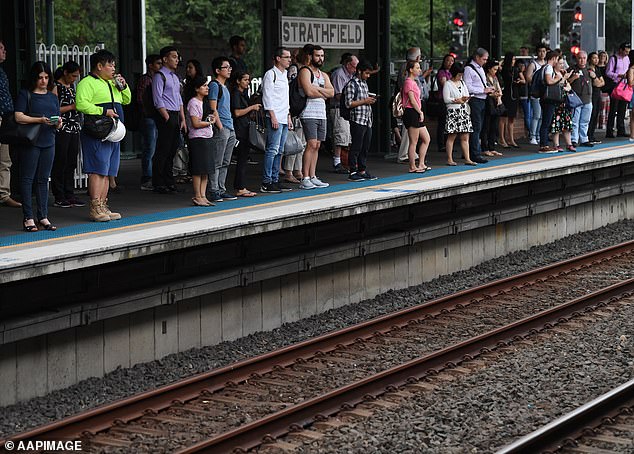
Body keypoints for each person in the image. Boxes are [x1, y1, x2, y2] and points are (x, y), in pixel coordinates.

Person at [76, 49, 131, 222]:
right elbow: (80, 103)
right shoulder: (87, 82)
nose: (113, 68)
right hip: (98, 130)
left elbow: (127, 100)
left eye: (114, 65)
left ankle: (103, 205)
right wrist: (102, 110)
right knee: (97, 170)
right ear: (99, 66)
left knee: (107, 171)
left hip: (113, 132)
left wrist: (124, 86)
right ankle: (95, 207)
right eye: (110, 65)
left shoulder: (112, 82)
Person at [14, 61, 62, 231]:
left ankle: (43, 216)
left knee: (43, 179)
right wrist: (39, 120)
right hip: (31, 141)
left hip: (49, 140)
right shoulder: (25, 94)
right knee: (27, 179)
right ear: (34, 78)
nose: (43, 81)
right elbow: (18, 117)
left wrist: (58, 123)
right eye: (40, 77)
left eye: (46, 77)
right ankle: (28, 217)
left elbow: (57, 118)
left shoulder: (52, 97)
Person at [298, 44, 334, 190]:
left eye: (322, 56)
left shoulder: (324, 75)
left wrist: (317, 89)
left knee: (318, 145)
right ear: (310, 56)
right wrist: (322, 91)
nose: (320, 58)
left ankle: (313, 176)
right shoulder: (305, 71)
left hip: (321, 114)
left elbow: (332, 93)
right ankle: (305, 177)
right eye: (317, 55)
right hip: (308, 113)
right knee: (311, 144)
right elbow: (308, 92)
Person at [152, 46, 186, 194]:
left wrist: (182, 118)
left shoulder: (174, 77)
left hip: (176, 115)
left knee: (173, 149)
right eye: (173, 56)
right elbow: (157, 98)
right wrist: (166, 116)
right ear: (165, 59)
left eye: (177, 56)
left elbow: (179, 99)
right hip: (166, 115)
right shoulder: (160, 76)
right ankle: (158, 182)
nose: (176, 59)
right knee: (163, 150)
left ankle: (169, 180)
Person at [51, 61, 84, 208]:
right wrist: (72, 107)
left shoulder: (72, 87)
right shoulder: (56, 87)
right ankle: (59, 194)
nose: (74, 79)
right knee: (60, 160)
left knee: (72, 160)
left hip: (74, 126)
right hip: (62, 127)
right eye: (73, 76)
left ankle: (69, 192)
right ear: (65, 73)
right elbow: (53, 110)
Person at [261, 47, 292, 193]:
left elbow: (284, 98)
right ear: (278, 58)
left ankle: (275, 179)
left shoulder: (285, 74)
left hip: (283, 116)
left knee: (279, 150)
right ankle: (266, 181)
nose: (289, 60)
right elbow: (267, 96)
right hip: (275, 116)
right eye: (286, 57)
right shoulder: (270, 74)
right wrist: (272, 115)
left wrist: (288, 115)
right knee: (272, 150)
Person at [208, 56, 237, 202]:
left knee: (226, 161)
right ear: (218, 70)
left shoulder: (225, 86)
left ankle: (221, 188)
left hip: (229, 126)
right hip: (222, 127)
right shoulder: (215, 85)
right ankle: (214, 190)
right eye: (227, 67)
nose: (229, 69)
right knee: (217, 161)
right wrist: (219, 126)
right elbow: (213, 108)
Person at [344, 60, 378, 181]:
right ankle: (353, 171)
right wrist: (365, 101)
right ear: (359, 71)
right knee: (356, 146)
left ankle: (362, 170)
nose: (368, 76)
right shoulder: (352, 84)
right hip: (357, 119)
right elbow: (348, 103)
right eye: (367, 73)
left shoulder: (364, 83)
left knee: (365, 146)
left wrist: (368, 100)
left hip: (367, 119)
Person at [185, 76, 214, 206]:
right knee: (198, 169)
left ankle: (203, 195)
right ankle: (197, 195)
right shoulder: (193, 102)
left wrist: (210, 120)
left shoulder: (206, 102)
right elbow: (195, 123)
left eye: (207, 85)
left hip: (207, 136)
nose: (207, 88)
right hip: (197, 138)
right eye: (203, 86)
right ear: (197, 89)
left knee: (206, 169)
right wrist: (209, 122)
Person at [230, 71, 260, 197]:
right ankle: (240, 187)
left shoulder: (244, 94)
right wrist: (252, 108)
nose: (248, 82)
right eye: (245, 80)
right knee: (241, 159)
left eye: (249, 80)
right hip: (239, 129)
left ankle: (241, 186)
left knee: (243, 158)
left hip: (244, 127)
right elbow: (237, 113)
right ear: (238, 81)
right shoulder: (236, 94)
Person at [0, 39, 21, 208]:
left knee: (4, 159)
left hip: (5, 118)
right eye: (0, 48)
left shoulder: (2, 72)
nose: (4, 51)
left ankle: (3, 194)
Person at [464, 47, 494, 163]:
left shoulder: (481, 68)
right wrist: (483, 90)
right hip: (475, 100)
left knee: (480, 127)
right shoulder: (469, 69)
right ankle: (475, 154)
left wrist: (488, 89)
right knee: (476, 127)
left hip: (482, 100)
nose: (485, 61)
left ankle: (471, 151)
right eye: (484, 59)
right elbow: (468, 87)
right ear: (477, 57)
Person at [136, 54, 161, 191]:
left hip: (155, 117)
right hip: (149, 117)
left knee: (154, 147)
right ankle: (147, 178)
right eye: (158, 63)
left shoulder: (158, 79)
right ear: (150, 65)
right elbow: (140, 99)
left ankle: (152, 177)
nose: (160, 66)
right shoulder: (146, 79)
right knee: (149, 148)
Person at [442, 62, 475, 166]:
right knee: (452, 136)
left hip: (463, 111)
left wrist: (465, 99)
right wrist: (456, 100)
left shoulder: (463, 83)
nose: (460, 76)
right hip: (453, 111)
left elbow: (466, 95)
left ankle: (467, 158)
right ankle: (449, 159)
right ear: (454, 73)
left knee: (465, 137)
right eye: (459, 74)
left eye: (461, 74)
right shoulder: (448, 84)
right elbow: (446, 99)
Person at [330, 53, 358, 173]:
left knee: (348, 136)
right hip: (338, 108)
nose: (356, 69)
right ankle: (337, 162)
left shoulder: (351, 76)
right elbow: (337, 95)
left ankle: (346, 161)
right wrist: (353, 98)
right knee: (340, 136)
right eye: (354, 66)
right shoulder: (339, 75)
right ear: (348, 64)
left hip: (347, 109)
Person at [402, 60, 430, 173]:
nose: (419, 70)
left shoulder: (414, 82)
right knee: (414, 141)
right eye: (417, 68)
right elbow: (412, 101)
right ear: (411, 69)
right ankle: (412, 166)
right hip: (412, 112)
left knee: (426, 139)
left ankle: (421, 163)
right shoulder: (408, 82)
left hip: (416, 111)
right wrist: (420, 112)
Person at [538, 50, 565, 153]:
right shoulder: (548, 68)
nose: (557, 62)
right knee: (546, 122)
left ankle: (544, 144)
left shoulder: (544, 67)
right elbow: (549, 81)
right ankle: (544, 145)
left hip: (546, 98)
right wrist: (558, 78)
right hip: (548, 99)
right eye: (557, 59)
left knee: (546, 121)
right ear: (553, 58)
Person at [568, 51, 593, 147]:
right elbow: (565, 82)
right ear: (576, 59)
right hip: (576, 99)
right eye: (580, 58)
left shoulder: (590, 70)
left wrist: (594, 77)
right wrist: (573, 78)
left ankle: (584, 139)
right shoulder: (571, 69)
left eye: (584, 58)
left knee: (585, 121)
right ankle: (574, 139)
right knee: (574, 121)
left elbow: (599, 83)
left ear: (586, 59)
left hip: (588, 98)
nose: (582, 60)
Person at [550, 56, 576, 152]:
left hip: (565, 102)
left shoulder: (562, 73)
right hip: (557, 102)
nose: (562, 65)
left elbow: (567, 85)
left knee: (567, 124)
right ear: (555, 63)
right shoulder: (553, 73)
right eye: (560, 63)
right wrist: (564, 79)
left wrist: (567, 83)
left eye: (562, 63)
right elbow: (555, 85)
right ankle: (556, 144)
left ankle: (569, 144)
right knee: (556, 124)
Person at [605, 42, 631, 138]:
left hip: (624, 85)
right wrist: (618, 75)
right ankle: (610, 130)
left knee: (622, 108)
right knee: (613, 108)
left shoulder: (627, 59)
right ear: (621, 50)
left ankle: (621, 129)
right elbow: (608, 72)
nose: (626, 54)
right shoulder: (614, 59)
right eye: (625, 51)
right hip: (616, 85)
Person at [525, 44, 548, 145]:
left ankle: (538, 134)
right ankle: (532, 135)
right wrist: (538, 79)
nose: (542, 53)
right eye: (540, 51)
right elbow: (528, 78)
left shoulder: (547, 64)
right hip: (536, 93)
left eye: (544, 51)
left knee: (542, 115)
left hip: (545, 93)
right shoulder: (533, 64)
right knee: (536, 115)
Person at [481, 60, 504, 157]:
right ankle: (484, 148)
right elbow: (485, 90)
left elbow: (499, 89)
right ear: (489, 69)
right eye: (494, 69)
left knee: (494, 127)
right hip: (488, 102)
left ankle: (492, 148)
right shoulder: (484, 77)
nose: (495, 71)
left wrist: (498, 94)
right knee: (486, 126)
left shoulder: (495, 78)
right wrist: (493, 94)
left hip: (496, 102)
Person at [499, 52, 522, 148]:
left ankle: (511, 139)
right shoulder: (504, 70)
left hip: (514, 94)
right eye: (512, 59)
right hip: (506, 94)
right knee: (503, 117)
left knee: (511, 117)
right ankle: (501, 138)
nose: (514, 61)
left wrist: (519, 80)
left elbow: (522, 79)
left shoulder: (515, 69)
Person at [435, 54, 454, 154]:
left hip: (451, 100)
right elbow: (444, 84)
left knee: (449, 122)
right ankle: (441, 144)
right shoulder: (442, 72)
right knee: (442, 123)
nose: (450, 63)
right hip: (442, 99)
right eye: (448, 61)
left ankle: (448, 144)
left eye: (452, 61)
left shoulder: (452, 73)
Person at [587, 52, 605, 144]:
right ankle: (588, 135)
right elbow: (596, 83)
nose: (596, 60)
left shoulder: (597, 69)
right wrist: (598, 81)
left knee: (596, 114)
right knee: (591, 114)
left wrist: (598, 81)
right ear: (589, 59)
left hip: (598, 94)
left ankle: (592, 135)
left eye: (597, 58)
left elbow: (602, 82)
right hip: (592, 94)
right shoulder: (589, 70)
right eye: (594, 58)